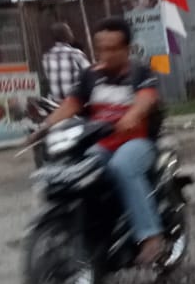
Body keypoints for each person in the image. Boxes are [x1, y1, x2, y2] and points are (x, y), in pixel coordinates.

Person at [33, 17, 166, 266]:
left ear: (127, 49)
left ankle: (150, 236)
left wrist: (132, 116)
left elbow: (145, 100)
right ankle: (94, 232)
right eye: (101, 48)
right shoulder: (89, 76)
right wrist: (44, 128)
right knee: (77, 173)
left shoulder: (140, 72)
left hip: (137, 143)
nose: (106, 54)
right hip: (102, 144)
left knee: (122, 166)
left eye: (113, 48)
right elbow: (71, 104)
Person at [42, 22, 91, 102]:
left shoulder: (46, 56)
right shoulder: (76, 53)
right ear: (67, 35)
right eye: (70, 31)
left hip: (55, 101)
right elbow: (90, 75)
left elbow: (49, 77)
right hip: (74, 102)